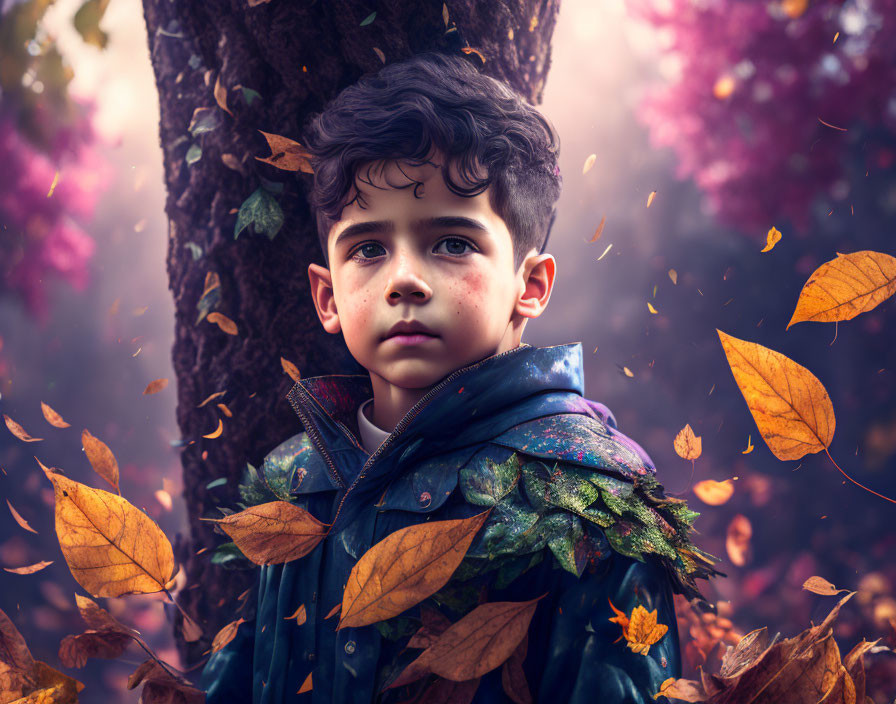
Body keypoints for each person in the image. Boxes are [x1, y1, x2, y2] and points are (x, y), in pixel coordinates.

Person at [198, 50, 719, 704]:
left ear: (530, 285)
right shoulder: (297, 479)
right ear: (327, 298)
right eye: (369, 248)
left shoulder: (587, 495)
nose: (405, 279)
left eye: (452, 243)